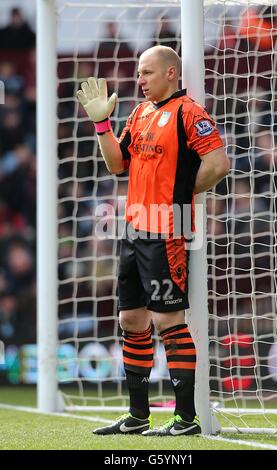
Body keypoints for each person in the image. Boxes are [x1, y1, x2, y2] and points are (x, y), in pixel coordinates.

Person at [77, 45, 230, 436]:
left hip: (166, 229)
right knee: (131, 320)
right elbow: (116, 165)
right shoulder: (140, 112)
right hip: (133, 228)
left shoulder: (189, 112)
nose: (140, 80)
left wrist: (179, 194)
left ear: (171, 74)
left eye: (146, 73)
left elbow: (218, 164)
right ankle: (137, 415)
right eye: (139, 73)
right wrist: (102, 125)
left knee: (167, 321)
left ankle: (185, 420)